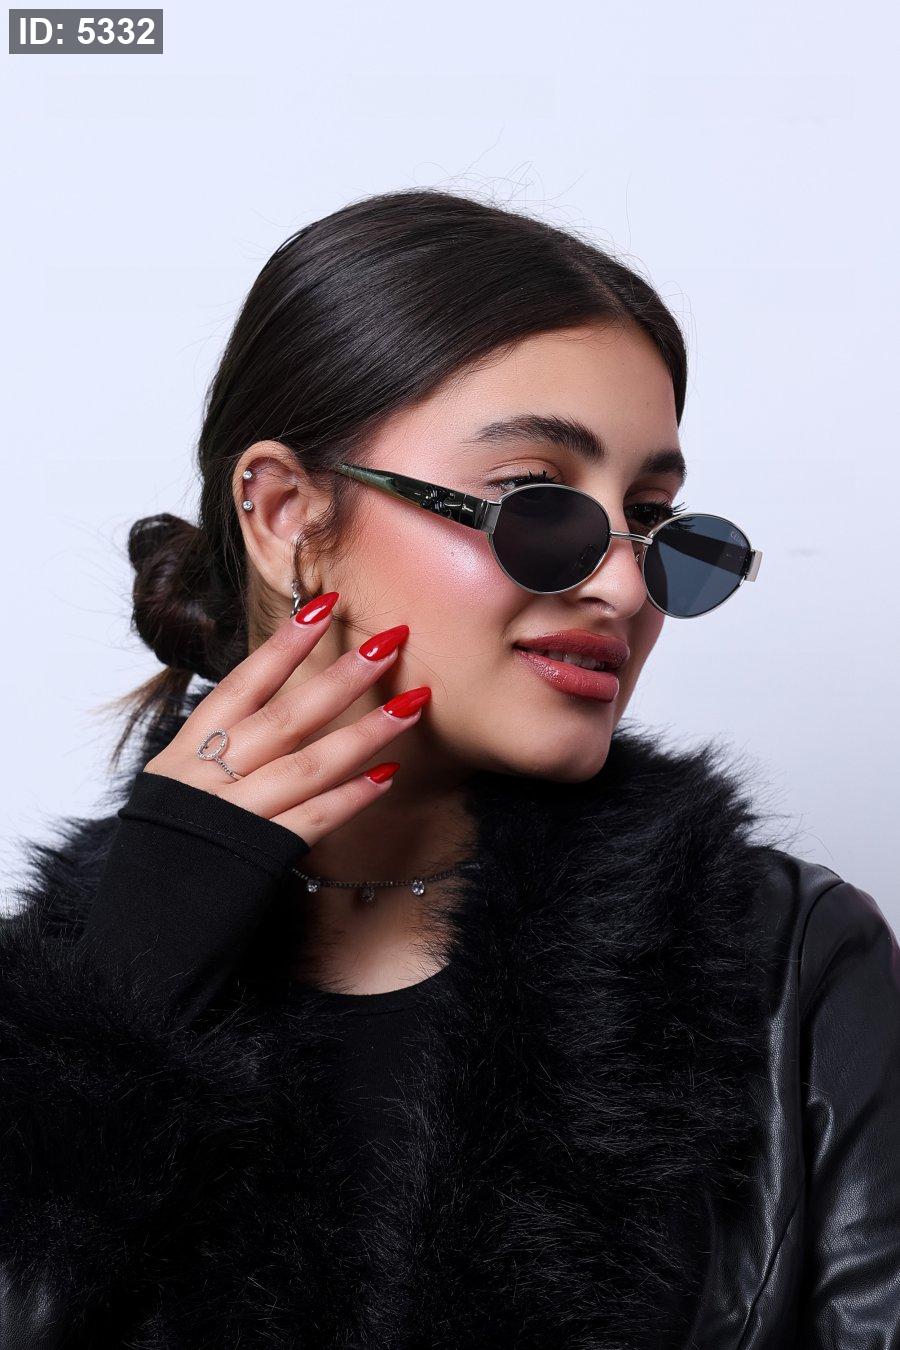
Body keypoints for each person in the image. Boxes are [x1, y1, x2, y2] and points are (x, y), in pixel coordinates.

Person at [1, 188, 898, 1349]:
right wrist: (121, 989)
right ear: (285, 514)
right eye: (537, 503)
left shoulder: (790, 969)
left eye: (654, 520)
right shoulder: (57, 990)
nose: (624, 586)